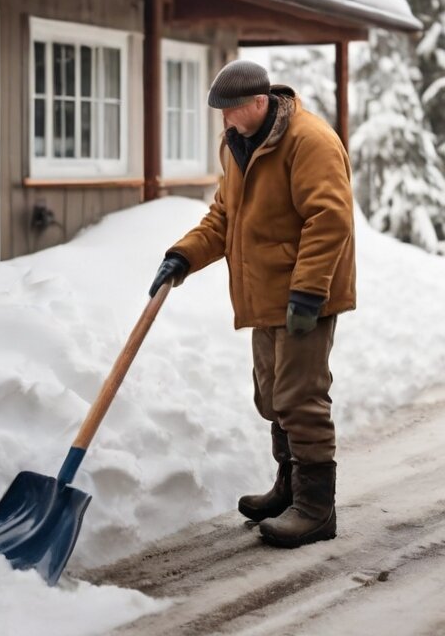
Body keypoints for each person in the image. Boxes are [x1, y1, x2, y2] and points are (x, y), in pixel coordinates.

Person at [149, 59, 356, 548]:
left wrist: (308, 292)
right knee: (271, 396)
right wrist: (183, 255)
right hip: (264, 292)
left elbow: (329, 219)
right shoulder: (238, 147)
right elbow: (224, 217)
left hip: (306, 294)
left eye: (230, 111)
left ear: (259, 103)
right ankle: (288, 488)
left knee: (300, 398)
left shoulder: (310, 141)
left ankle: (315, 508)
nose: (222, 120)